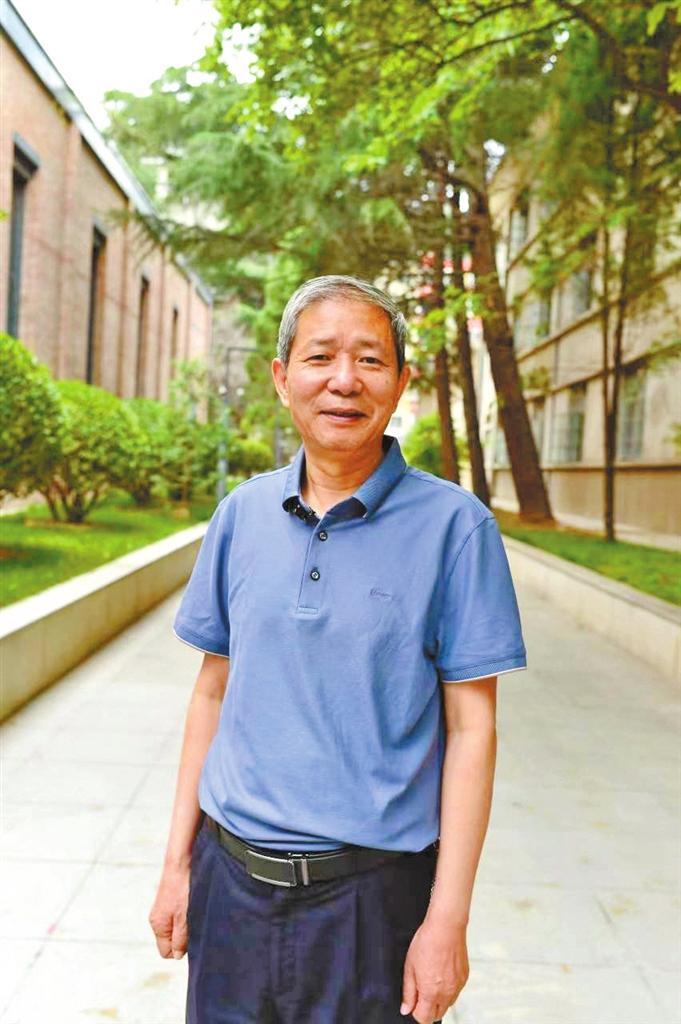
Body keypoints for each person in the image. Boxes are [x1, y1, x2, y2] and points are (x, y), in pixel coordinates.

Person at [149, 274, 527, 1024]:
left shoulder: (456, 529)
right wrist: (176, 866)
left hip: (372, 904)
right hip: (229, 890)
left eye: (370, 359)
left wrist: (446, 919)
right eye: (320, 357)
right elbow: (211, 694)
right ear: (282, 378)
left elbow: (472, 731)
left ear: (401, 382)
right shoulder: (241, 514)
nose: (344, 381)